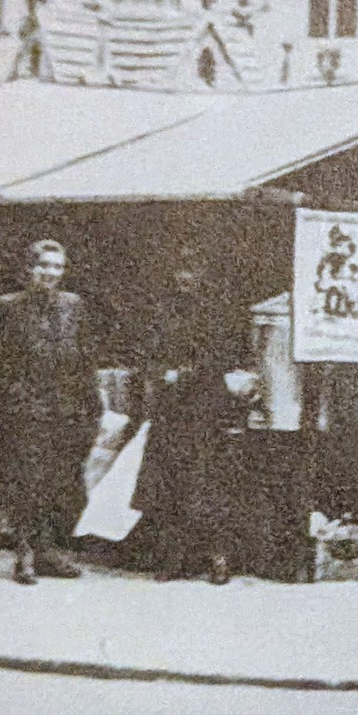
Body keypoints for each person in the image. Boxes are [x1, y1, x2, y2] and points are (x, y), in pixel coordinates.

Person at [132, 250, 245, 584]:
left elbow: (220, 356)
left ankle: (218, 557)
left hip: (206, 408)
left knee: (207, 482)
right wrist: (158, 375)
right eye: (180, 270)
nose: (185, 277)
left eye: (192, 270)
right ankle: (174, 556)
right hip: (170, 411)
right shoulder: (163, 312)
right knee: (171, 483)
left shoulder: (216, 313)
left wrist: (182, 374)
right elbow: (148, 352)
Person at [0, 240, 103, 585]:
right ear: (28, 269)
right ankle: (24, 553)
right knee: (28, 480)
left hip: (66, 407)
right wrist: (10, 397)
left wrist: (90, 403)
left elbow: (85, 357)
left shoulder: (74, 305)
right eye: (43, 265)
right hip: (24, 408)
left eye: (57, 267)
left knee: (60, 480)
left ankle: (47, 550)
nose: (50, 273)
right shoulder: (7, 307)